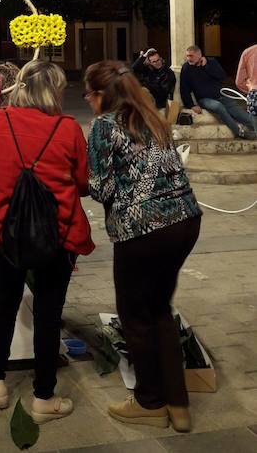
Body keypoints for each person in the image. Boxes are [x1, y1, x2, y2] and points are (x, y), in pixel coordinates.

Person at [0, 60, 94, 421]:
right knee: (49, 315)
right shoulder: (68, 129)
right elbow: (82, 183)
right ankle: (44, 398)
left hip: (6, 232)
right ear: (54, 90)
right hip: (59, 234)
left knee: (4, 303)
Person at [85, 60, 202, 432]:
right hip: (185, 220)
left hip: (142, 229)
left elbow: (101, 188)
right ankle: (178, 405)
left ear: (104, 95)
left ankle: (150, 403)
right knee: (159, 310)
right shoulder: (152, 116)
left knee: (135, 316)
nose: (88, 101)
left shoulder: (105, 125)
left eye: (89, 95)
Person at [180, 45, 255, 139]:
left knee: (240, 113)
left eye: (191, 56)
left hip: (220, 95)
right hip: (204, 99)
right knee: (218, 106)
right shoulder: (186, 68)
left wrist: (207, 66)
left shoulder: (211, 62)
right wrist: (191, 105)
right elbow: (184, 89)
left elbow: (222, 76)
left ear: (199, 55)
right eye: (187, 56)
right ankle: (239, 132)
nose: (188, 58)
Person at [132, 48, 178, 123]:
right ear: (149, 62)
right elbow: (134, 69)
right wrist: (144, 56)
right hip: (147, 98)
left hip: (159, 100)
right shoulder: (149, 69)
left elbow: (163, 92)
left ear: (161, 59)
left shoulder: (168, 73)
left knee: (143, 91)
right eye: (154, 62)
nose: (157, 63)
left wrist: (147, 85)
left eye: (158, 60)